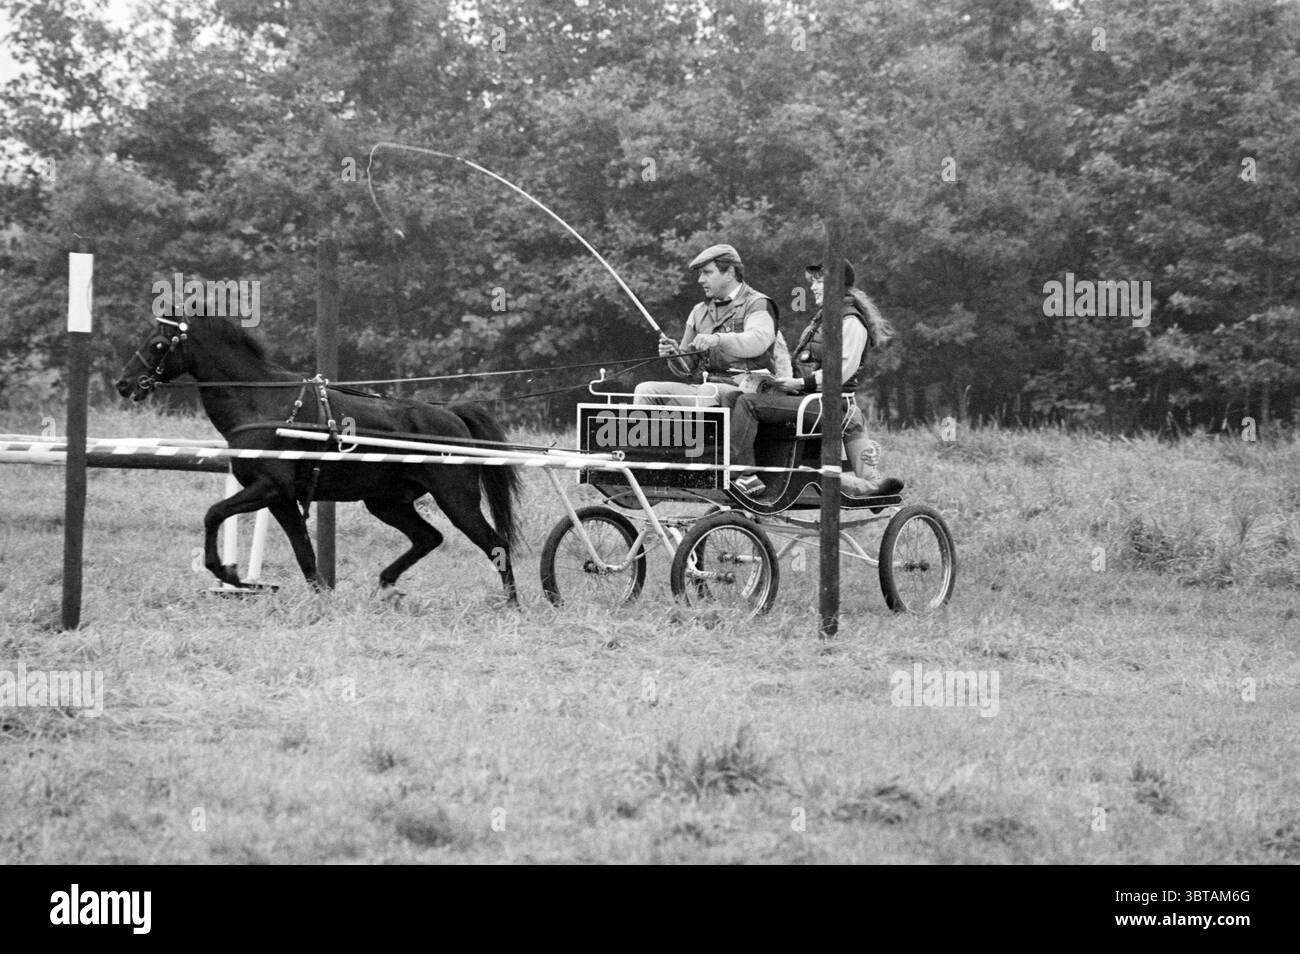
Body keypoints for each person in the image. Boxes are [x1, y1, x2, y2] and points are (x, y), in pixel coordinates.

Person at [729, 259, 895, 497]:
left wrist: (800, 383)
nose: (814, 287)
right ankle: (870, 487)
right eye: (813, 282)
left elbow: (840, 372)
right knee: (741, 397)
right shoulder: (826, 319)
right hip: (824, 403)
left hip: (827, 404)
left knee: (748, 403)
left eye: (820, 281)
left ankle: (745, 476)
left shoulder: (850, 322)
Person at [635, 244, 790, 407]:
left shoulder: (758, 303)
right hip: (707, 389)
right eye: (700, 274)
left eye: (707, 273)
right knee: (645, 390)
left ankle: (702, 433)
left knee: (708, 391)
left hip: (752, 392)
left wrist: (717, 339)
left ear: (730, 272)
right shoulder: (698, 311)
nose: (700, 279)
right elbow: (687, 369)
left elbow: (757, 341)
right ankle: (651, 433)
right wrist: (674, 355)